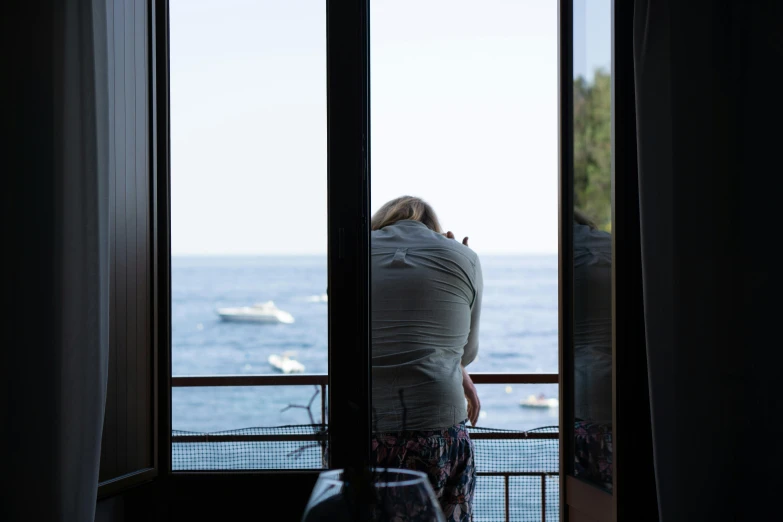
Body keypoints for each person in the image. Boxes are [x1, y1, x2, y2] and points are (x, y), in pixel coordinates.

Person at [369, 195, 483, 522]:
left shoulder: (350, 251)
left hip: (362, 423)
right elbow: (467, 352)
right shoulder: (463, 257)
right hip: (437, 424)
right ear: (434, 228)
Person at [572, 208, 613, 491]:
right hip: (621, 400)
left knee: (589, 497)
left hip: (585, 403)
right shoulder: (612, 247)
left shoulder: (569, 255)